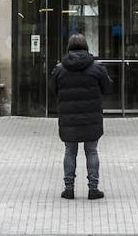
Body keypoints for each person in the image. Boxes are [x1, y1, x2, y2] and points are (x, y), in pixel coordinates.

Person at [48, 33, 112, 200]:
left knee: (70, 151)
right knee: (91, 151)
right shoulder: (97, 68)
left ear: (69, 47)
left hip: (69, 119)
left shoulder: (60, 69)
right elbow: (107, 88)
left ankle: (69, 188)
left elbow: (52, 89)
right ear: (86, 47)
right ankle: (93, 189)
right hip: (91, 119)